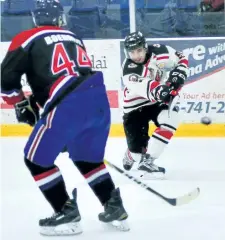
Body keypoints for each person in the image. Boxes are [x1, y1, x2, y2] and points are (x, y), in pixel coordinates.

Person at [1, 0, 128, 236]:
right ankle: (113, 205)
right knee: (86, 158)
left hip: (68, 105)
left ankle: (65, 211)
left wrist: (20, 103)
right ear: (61, 18)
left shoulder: (27, 37)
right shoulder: (73, 37)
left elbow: (7, 80)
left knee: (35, 159)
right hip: (98, 100)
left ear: (35, 18)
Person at [121, 31, 188, 179]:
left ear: (145, 47)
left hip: (155, 103)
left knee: (171, 118)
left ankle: (149, 161)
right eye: (132, 52)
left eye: (139, 50)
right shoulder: (128, 70)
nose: (136, 55)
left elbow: (181, 59)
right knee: (137, 153)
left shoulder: (160, 51)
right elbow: (149, 88)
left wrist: (178, 74)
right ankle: (131, 155)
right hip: (134, 108)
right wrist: (165, 90)